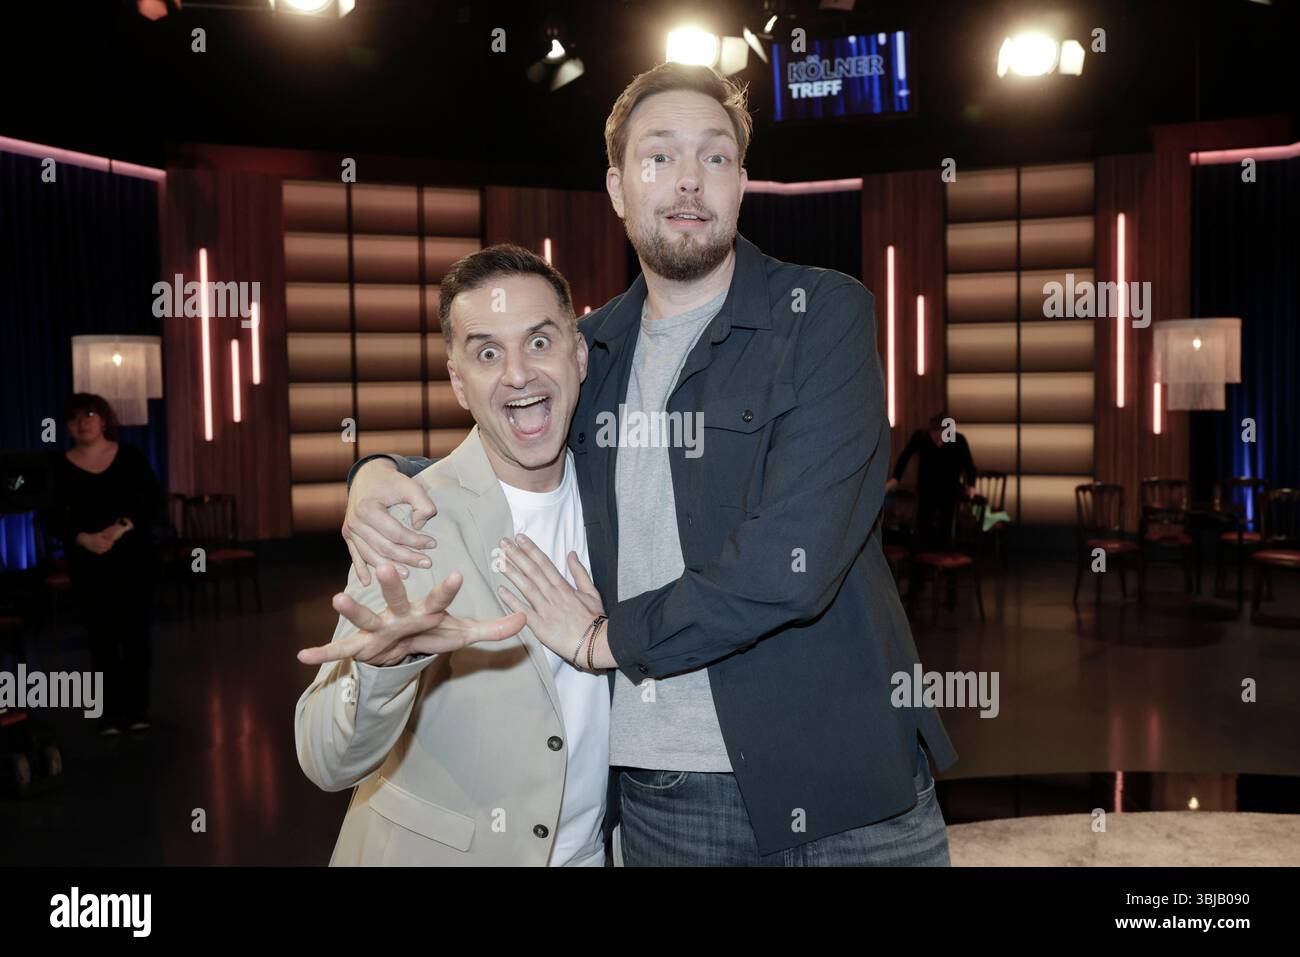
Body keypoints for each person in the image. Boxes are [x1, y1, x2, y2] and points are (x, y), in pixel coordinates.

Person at [340, 62, 958, 866]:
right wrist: (382, 470)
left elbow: (792, 561)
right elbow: (512, 435)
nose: (688, 181)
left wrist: (605, 639)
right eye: (659, 157)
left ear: (741, 185)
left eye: (714, 157)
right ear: (618, 188)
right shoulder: (589, 349)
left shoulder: (824, 316)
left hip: (846, 772)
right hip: (670, 789)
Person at [294, 244, 612, 866]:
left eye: (540, 342)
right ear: (458, 383)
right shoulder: (412, 519)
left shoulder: (622, 500)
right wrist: (386, 668)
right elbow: (323, 760)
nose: (518, 373)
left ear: (578, 356)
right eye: (487, 353)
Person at [49, 393, 162, 734]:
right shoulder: (59, 466)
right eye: (75, 418)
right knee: (101, 640)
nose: (83, 423)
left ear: (103, 419)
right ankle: (110, 714)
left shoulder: (130, 457)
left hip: (131, 560)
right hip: (89, 564)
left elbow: (152, 502)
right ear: (67, 426)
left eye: (90, 415)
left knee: (135, 637)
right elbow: (51, 517)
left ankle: (138, 709)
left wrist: (119, 529)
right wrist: (84, 538)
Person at [885, 410, 978, 552]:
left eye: (944, 437)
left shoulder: (958, 440)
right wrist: (896, 479)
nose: (940, 441)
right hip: (926, 489)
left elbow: (969, 466)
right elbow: (905, 457)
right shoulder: (921, 437)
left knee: (945, 527)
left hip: (949, 490)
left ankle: (943, 559)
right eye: (936, 437)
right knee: (923, 526)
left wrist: (971, 485)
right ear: (931, 431)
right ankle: (922, 561)